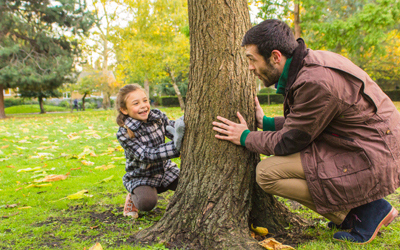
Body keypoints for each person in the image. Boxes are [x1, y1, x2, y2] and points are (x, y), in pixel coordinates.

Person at [212, 19, 399, 244]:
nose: (250, 68)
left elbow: (289, 141)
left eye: (252, 60)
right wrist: (267, 122)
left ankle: (367, 212)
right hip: (364, 144)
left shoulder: (315, 81)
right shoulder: (310, 65)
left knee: (267, 173)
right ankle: (357, 213)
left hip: (371, 154)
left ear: (275, 56)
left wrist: (244, 137)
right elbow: (309, 121)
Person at [115, 84, 185, 218]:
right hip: (142, 176)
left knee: (189, 185)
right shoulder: (124, 133)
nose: (143, 105)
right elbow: (146, 155)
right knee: (146, 203)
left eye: (145, 100)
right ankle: (133, 195)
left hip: (165, 170)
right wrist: (175, 148)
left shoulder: (157, 117)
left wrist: (181, 130)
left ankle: (152, 189)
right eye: (136, 103)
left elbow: (172, 130)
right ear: (124, 110)